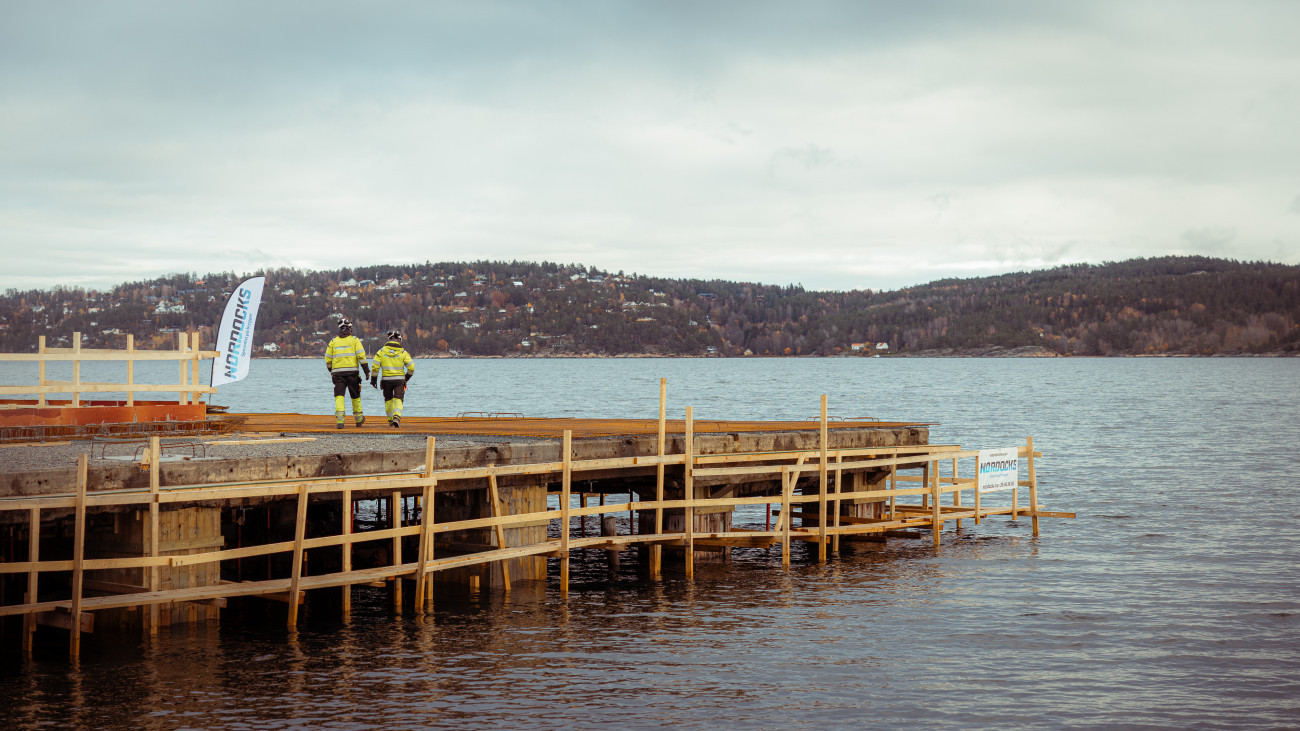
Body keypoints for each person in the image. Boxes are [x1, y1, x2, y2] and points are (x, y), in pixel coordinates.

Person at [324, 318, 370, 428]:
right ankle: (358, 419)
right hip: (352, 374)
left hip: (338, 374)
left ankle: (340, 420)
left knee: (339, 396)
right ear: (350, 328)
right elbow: (361, 357)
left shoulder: (333, 342)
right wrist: (366, 371)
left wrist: (331, 370)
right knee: (355, 395)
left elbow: (328, 359)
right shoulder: (355, 340)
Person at [371, 329, 414, 427]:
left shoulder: (381, 351)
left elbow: (375, 367)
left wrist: (374, 380)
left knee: (388, 400)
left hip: (386, 381)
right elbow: (411, 367)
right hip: (399, 380)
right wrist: (406, 378)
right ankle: (396, 417)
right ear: (399, 340)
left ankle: (390, 421)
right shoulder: (403, 352)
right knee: (398, 399)